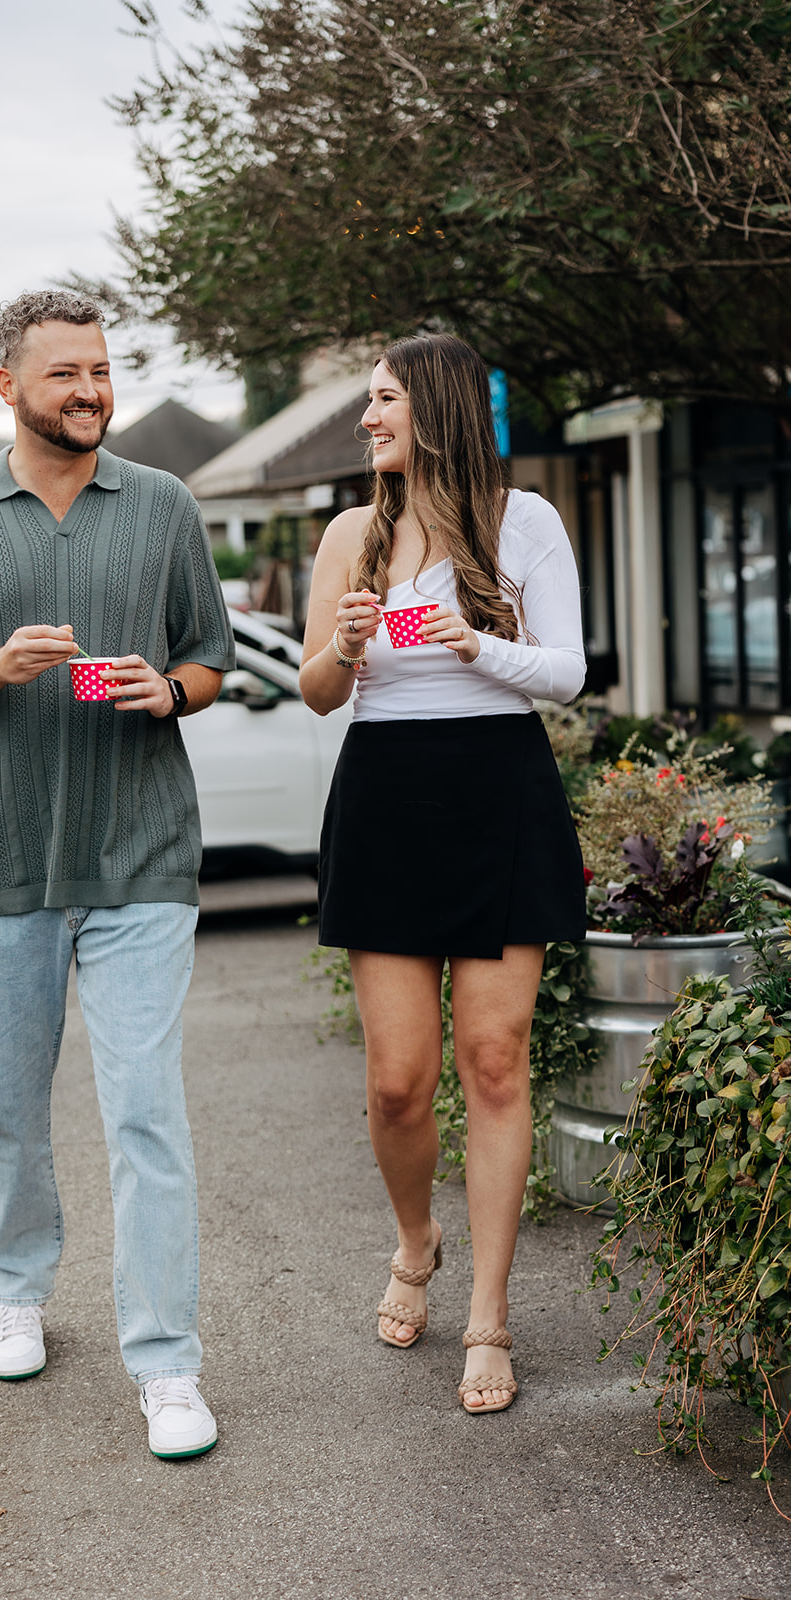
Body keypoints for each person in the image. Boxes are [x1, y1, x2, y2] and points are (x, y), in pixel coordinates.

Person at [0, 289, 235, 1459]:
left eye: (99, 369)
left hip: (140, 855)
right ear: (8, 388)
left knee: (145, 1110)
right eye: (62, 374)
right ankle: (18, 1294)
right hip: (0, 862)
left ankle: (167, 1366)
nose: (88, 390)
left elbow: (211, 661)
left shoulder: (166, 505)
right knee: (7, 1103)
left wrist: (166, 690)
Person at [299, 333, 585, 1414]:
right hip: (387, 796)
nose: (367, 419)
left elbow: (564, 671)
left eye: (381, 401)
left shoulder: (526, 522)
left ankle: (490, 1315)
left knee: (495, 1060)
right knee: (397, 1079)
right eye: (366, 402)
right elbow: (317, 693)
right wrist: (345, 643)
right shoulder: (348, 534)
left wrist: (473, 644)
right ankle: (415, 1242)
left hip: (497, 789)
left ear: (434, 407)